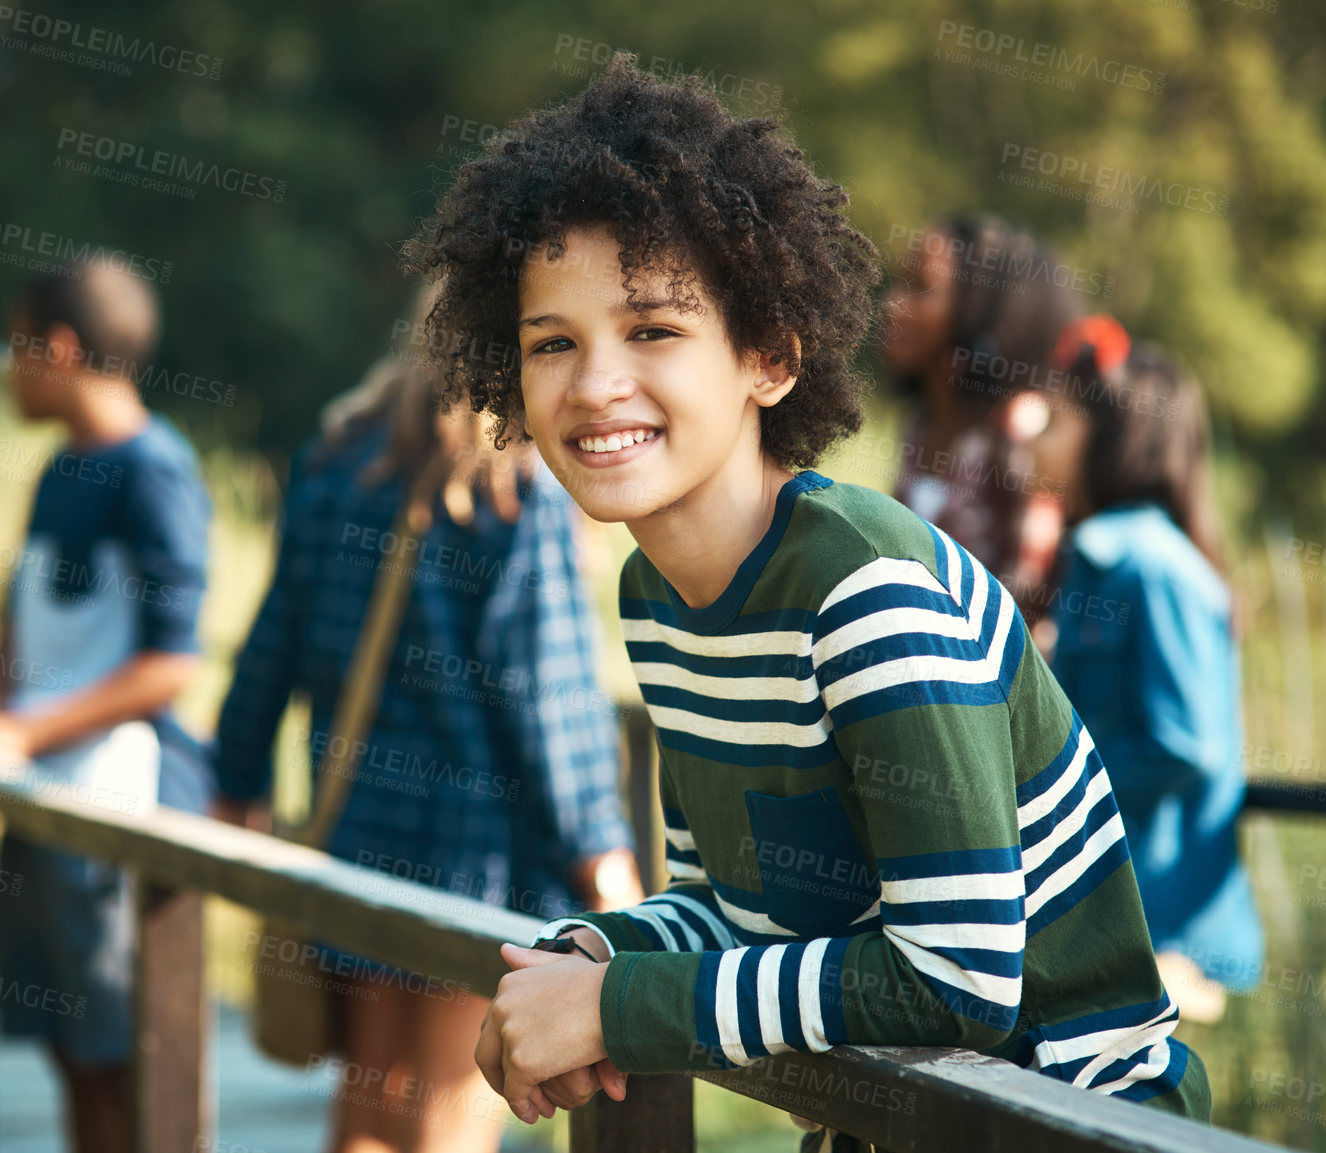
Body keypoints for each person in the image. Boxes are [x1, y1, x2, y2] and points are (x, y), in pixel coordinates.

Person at [402, 56, 1210, 1146]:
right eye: (554, 343)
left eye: (653, 330)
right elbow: (730, 916)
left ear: (770, 357)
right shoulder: (658, 596)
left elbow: (958, 981)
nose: (593, 385)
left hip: (1069, 1121)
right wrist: (587, 958)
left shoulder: (870, 591)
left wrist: (618, 1008)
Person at [211, 307, 642, 1153]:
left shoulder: (337, 462)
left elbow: (270, 646)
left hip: (357, 846)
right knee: (450, 1113)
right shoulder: (517, 488)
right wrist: (604, 854)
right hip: (476, 863)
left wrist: (238, 781)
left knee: (367, 1107)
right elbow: (549, 697)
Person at [0, 260, 213, 1153]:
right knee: (68, 1049)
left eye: (9, 349)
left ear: (57, 349)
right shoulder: (61, 468)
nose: (6, 370)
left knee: (125, 1056)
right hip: (38, 802)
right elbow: (15, 625)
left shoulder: (156, 472)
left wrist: (16, 731)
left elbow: (171, 665)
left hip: (115, 809)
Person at [1027, 317, 1263, 1023]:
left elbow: (1188, 740)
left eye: (1056, 420)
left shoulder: (1150, 567)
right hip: (1112, 922)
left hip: (1164, 933)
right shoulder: (1098, 559)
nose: (1033, 436)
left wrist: (1056, 784)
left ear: (1110, 437)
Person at [880, 215, 1083, 626]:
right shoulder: (921, 427)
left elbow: (1025, 611)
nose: (892, 304)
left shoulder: (1021, 435)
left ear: (978, 311)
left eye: (920, 287)